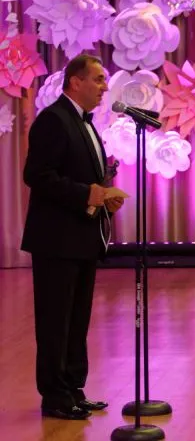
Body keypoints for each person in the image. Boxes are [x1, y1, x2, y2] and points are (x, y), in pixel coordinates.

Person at [21, 54, 123, 419]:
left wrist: (104, 196)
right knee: (55, 321)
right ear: (75, 82)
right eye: (98, 79)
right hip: (56, 240)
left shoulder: (86, 123)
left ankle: (74, 389)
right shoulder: (53, 119)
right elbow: (37, 176)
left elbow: (84, 176)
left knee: (78, 320)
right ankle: (54, 395)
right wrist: (86, 194)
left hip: (81, 237)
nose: (104, 87)